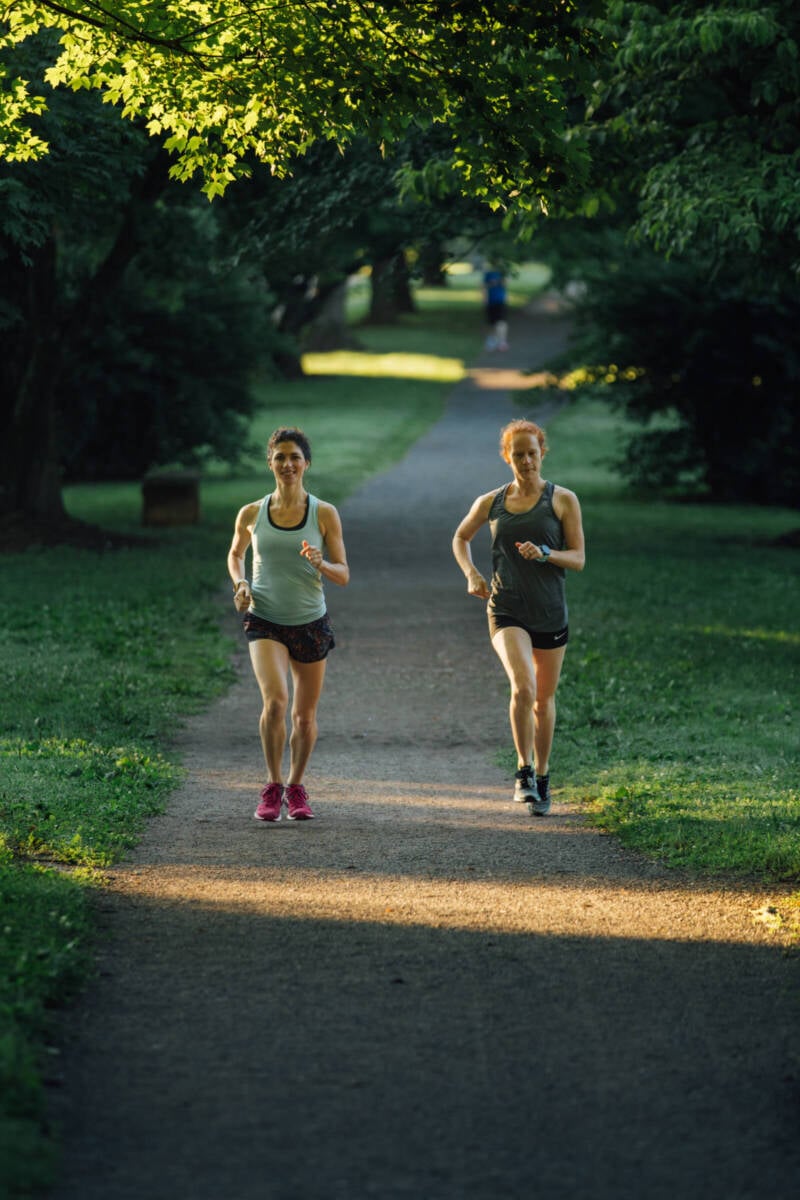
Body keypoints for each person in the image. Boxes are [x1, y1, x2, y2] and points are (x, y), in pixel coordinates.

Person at [452, 419, 585, 816]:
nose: (526, 460)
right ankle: (523, 771)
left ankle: (543, 775)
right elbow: (460, 537)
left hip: (549, 612)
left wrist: (547, 554)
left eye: (532, 453)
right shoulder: (490, 502)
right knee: (523, 686)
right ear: (506, 456)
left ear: (542, 452)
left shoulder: (562, 500)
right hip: (506, 608)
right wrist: (472, 574)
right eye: (518, 454)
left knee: (544, 700)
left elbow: (578, 558)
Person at [227, 427, 349, 822]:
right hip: (265, 618)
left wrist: (321, 563)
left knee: (304, 716)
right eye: (280, 457)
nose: (288, 464)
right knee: (276, 701)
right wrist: (241, 582)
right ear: (270, 463)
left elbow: (343, 574)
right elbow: (235, 555)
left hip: (311, 622)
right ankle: (272, 784)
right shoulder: (251, 513)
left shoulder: (324, 513)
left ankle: (296, 787)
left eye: (295, 457)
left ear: (306, 463)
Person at [483, 265, 508, 352]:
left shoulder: (502, 273)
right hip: (490, 301)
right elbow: (484, 286)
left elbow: (506, 283)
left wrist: (498, 281)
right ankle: (493, 341)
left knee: (501, 321)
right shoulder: (488, 273)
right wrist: (484, 299)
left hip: (500, 300)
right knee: (491, 323)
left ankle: (502, 341)